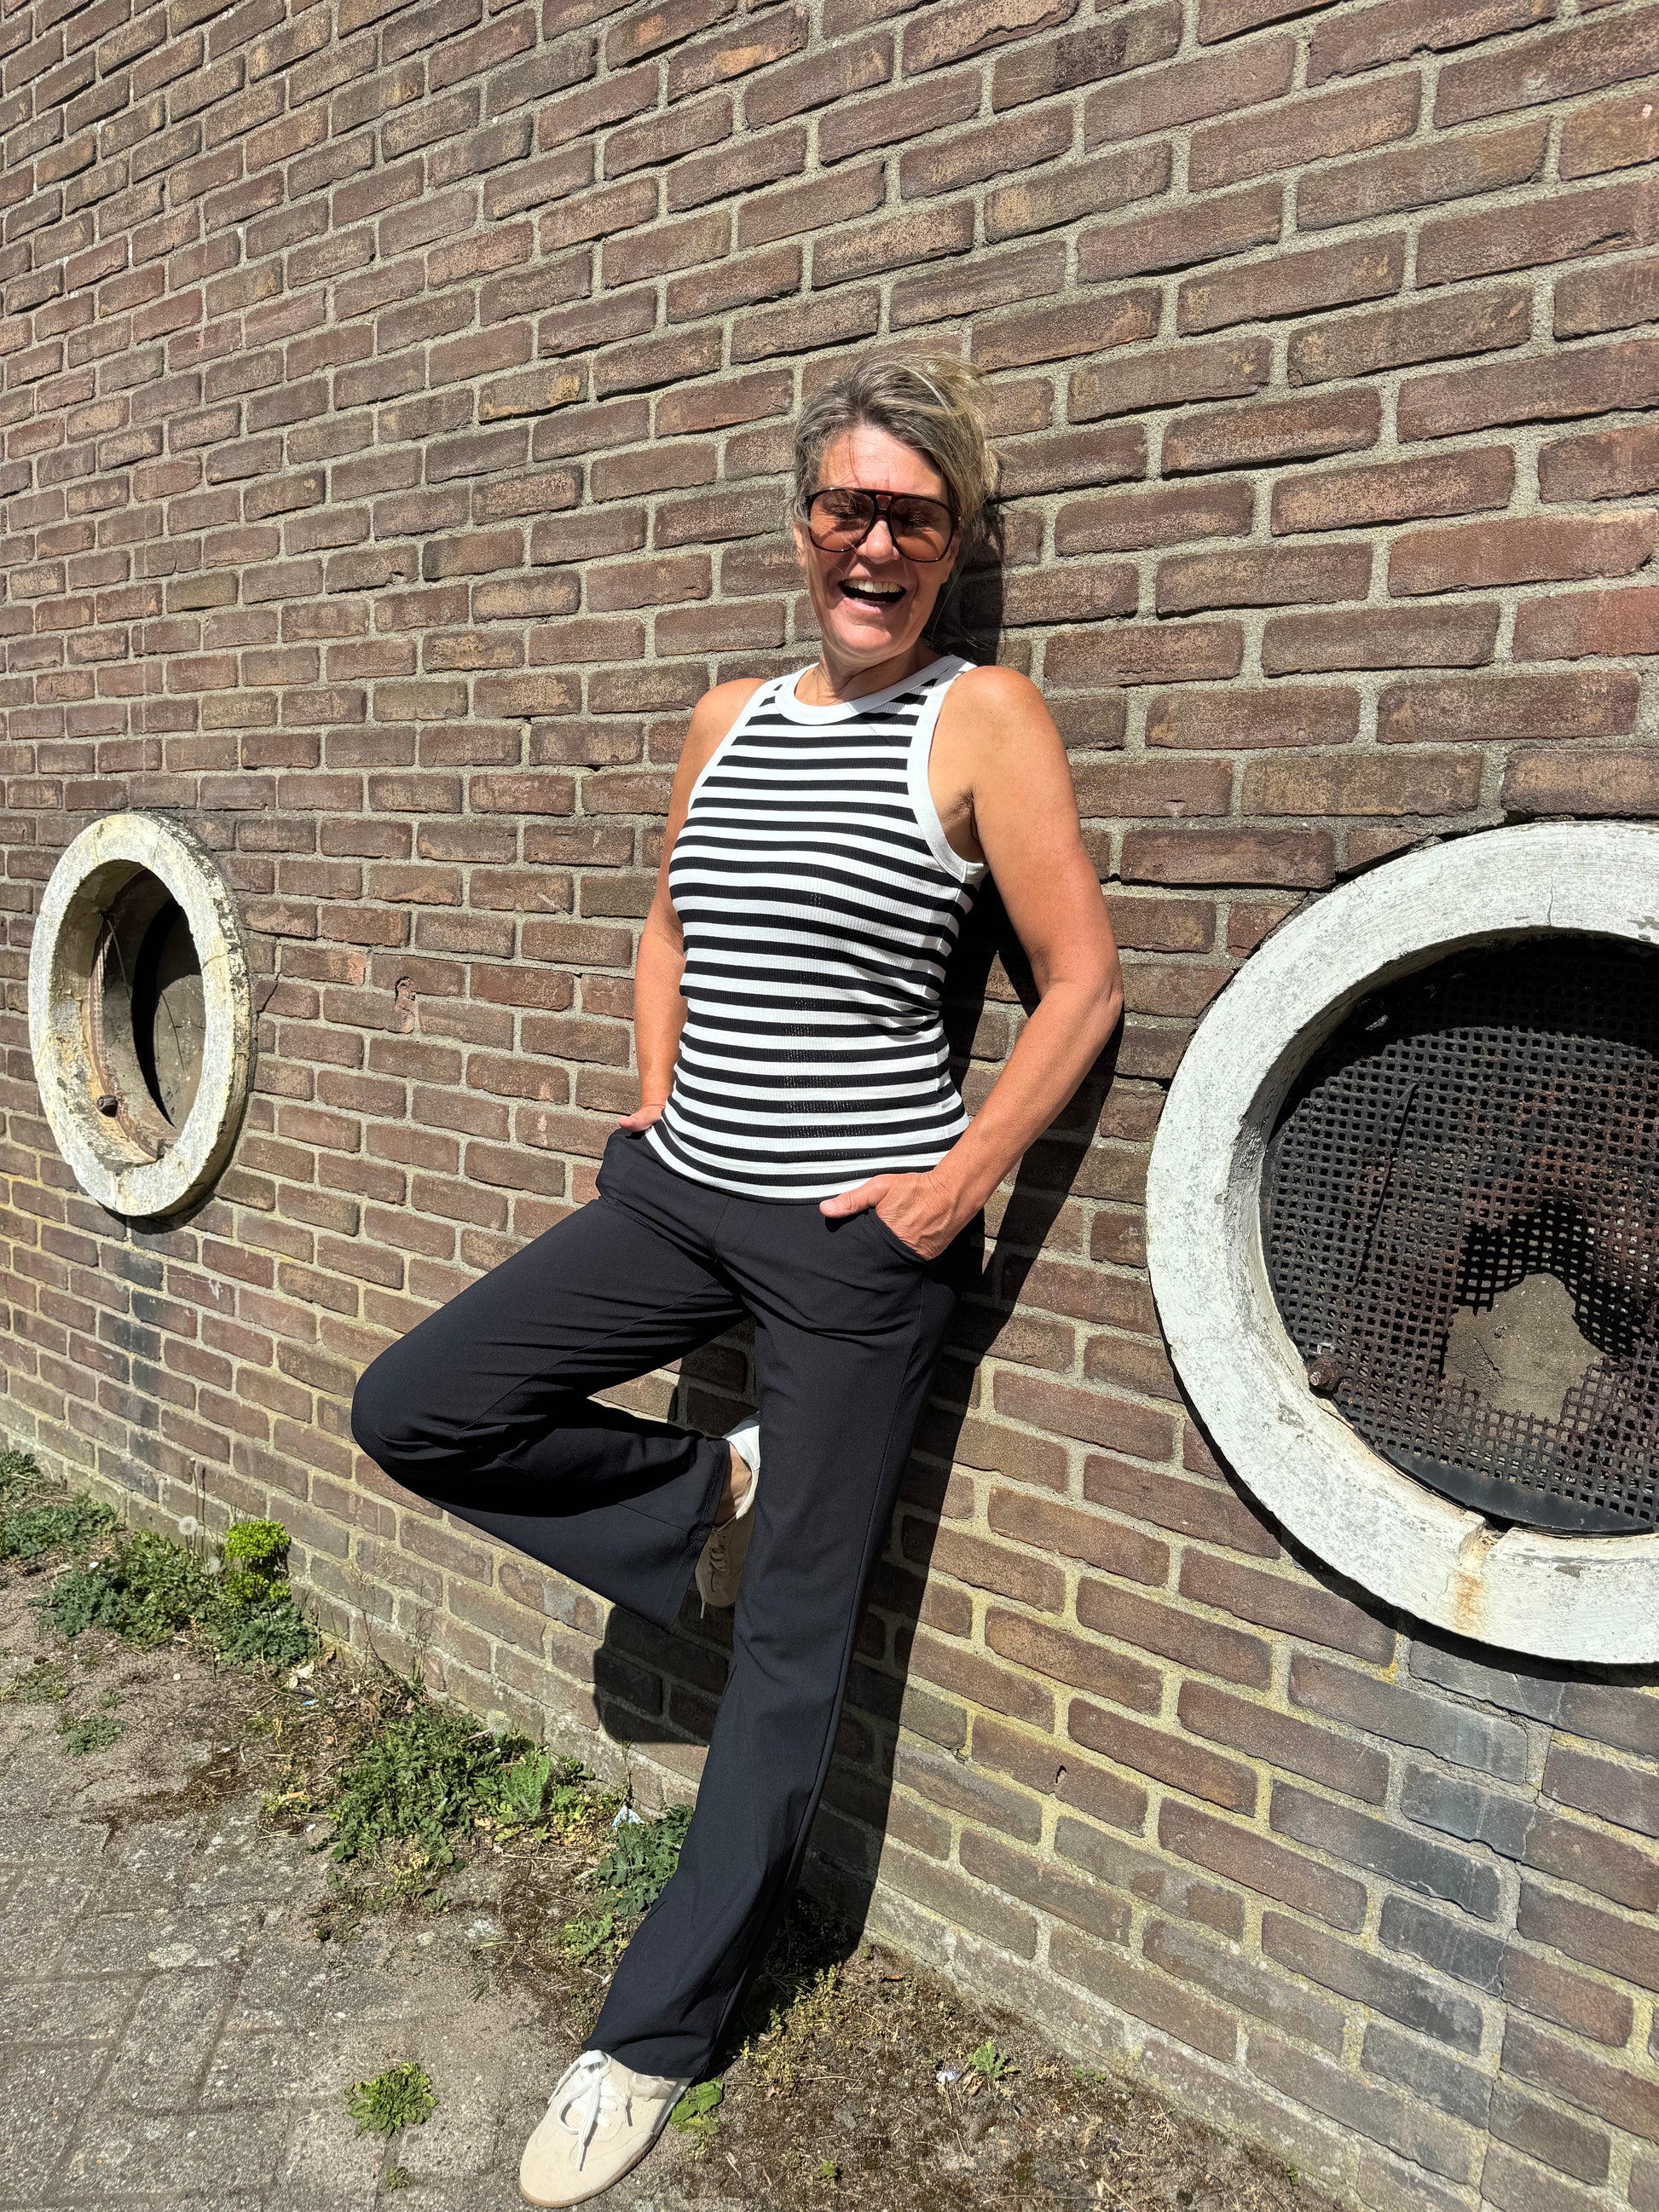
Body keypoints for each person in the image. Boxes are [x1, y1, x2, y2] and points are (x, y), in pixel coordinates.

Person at [350, 354, 1124, 2208]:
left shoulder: (980, 719)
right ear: (800, 523)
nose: (875, 545)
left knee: (789, 1648)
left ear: (955, 541)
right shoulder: (728, 715)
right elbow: (671, 919)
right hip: (677, 1193)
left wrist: (949, 1191)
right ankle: (707, 1488)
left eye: (914, 517)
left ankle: (648, 2040)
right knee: (417, 1406)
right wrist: (649, 1086)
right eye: (847, 507)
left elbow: (1081, 984)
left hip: (855, 1251)